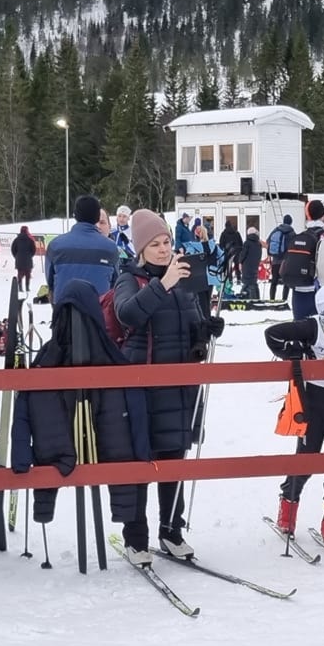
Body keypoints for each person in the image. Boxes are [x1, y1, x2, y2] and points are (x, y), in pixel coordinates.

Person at [110, 210, 224, 563]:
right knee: (141, 463)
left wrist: (207, 328)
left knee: (174, 459)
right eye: (155, 245)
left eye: (167, 243)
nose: (163, 250)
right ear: (141, 249)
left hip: (178, 386)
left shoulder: (183, 283)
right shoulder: (129, 278)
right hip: (142, 386)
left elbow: (190, 325)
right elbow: (126, 314)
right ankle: (136, 538)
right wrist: (164, 284)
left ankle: (172, 530)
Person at [266, 285, 324, 548]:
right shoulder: (311, 328)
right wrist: (294, 354)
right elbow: (273, 335)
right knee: (305, 461)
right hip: (314, 404)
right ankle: (288, 506)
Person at [47, 196, 121, 297]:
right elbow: (115, 284)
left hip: (65, 309)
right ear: (97, 216)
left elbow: (50, 283)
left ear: (75, 216)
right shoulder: (110, 248)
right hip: (99, 309)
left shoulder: (55, 246)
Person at [266, 215, 295, 301]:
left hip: (275, 260)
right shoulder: (292, 232)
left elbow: (268, 241)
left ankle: (272, 299)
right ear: (291, 222)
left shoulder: (276, 230)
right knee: (286, 282)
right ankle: (284, 300)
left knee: (274, 281)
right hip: (286, 261)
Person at [240, 222, 263, 300]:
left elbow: (243, 254)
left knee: (248, 282)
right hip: (255, 264)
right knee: (253, 281)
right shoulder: (258, 243)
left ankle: (250, 297)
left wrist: (240, 262)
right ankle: (256, 297)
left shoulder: (247, 243)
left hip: (247, 265)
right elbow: (260, 254)